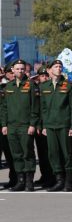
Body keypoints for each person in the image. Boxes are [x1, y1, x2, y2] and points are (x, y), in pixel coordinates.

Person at [1, 59, 41, 191]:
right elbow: (4, 107)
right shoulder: (9, 86)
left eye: (22, 69)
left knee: (27, 153)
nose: (20, 71)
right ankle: (20, 180)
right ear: (12, 70)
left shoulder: (31, 85)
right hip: (12, 126)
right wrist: (4, 125)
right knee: (16, 154)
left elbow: (35, 107)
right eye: (17, 69)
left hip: (25, 125)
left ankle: (29, 181)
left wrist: (32, 124)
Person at [38, 59, 72, 191]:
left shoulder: (68, 85)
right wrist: (43, 126)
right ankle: (59, 180)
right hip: (50, 125)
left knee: (67, 153)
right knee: (53, 154)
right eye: (56, 66)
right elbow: (42, 108)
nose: (59, 68)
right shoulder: (44, 86)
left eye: (60, 66)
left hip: (64, 125)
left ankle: (68, 181)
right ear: (49, 70)